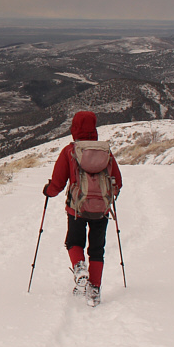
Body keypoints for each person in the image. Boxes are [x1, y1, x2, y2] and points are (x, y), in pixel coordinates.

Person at [42, 110, 121, 306]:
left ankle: (79, 267)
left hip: (76, 209)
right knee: (97, 249)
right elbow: (117, 182)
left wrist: (48, 191)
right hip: (101, 210)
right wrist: (108, 199)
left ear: (74, 128)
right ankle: (94, 290)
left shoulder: (70, 152)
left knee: (73, 241)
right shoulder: (106, 152)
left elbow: (58, 184)